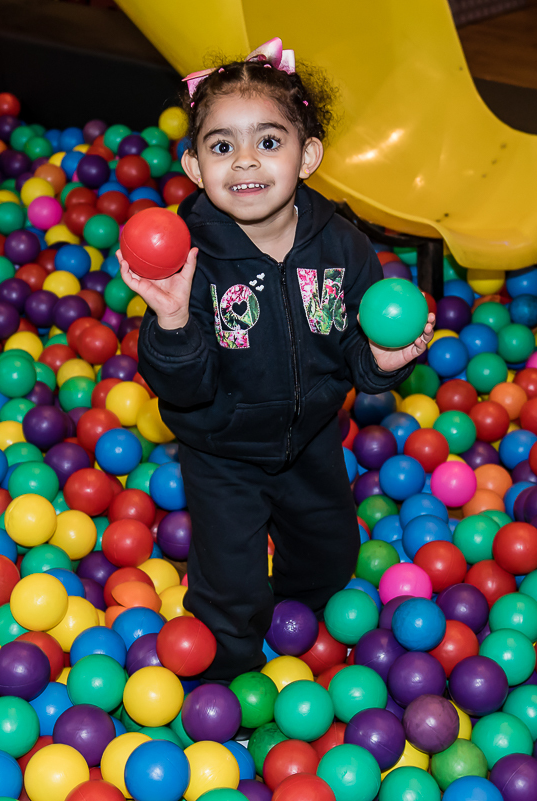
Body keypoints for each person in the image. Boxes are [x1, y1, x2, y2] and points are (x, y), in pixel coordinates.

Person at [119, 38, 437, 681]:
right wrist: (173, 316)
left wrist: (384, 358)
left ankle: (306, 640)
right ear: (192, 164)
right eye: (220, 146)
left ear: (308, 155)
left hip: (313, 438)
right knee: (229, 590)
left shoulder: (343, 245)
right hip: (222, 452)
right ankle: (228, 688)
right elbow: (183, 388)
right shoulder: (188, 259)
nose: (244, 162)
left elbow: (357, 357)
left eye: (268, 141)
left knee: (329, 556)